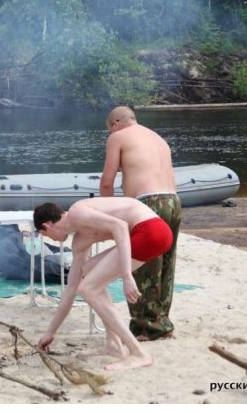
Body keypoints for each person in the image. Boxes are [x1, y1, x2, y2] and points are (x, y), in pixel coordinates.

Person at [34, 198, 173, 370]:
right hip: (151, 234)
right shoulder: (79, 239)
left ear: (47, 226)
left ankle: (138, 353)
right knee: (89, 271)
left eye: (46, 235)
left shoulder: (77, 213)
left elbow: (120, 226)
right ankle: (113, 344)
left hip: (151, 230)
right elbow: (70, 289)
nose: (53, 240)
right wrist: (50, 332)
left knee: (88, 289)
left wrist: (127, 276)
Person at [99, 106, 182, 341]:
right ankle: (161, 322)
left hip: (148, 202)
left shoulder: (117, 137)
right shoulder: (157, 138)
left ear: (115, 123)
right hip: (174, 201)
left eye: (109, 129)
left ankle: (144, 326)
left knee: (141, 263)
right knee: (166, 264)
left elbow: (107, 183)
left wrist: (108, 214)